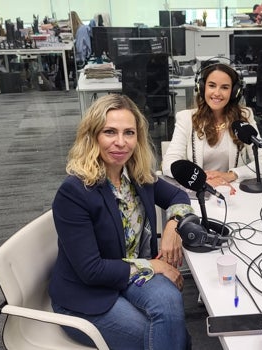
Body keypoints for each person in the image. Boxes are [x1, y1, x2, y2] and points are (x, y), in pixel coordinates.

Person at [49, 94, 194, 349]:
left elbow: (178, 195)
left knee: (170, 304)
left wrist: (174, 225)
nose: (120, 142)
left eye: (129, 133)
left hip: (128, 276)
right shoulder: (74, 192)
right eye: (109, 132)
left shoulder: (136, 175)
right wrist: (154, 266)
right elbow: (91, 271)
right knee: (171, 337)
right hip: (86, 293)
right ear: (93, 136)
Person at [162, 63, 262, 189]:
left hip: (232, 191)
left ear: (234, 92)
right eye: (212, 86)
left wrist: (231, 175)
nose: (217, 93)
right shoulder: (186, 119)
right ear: (202, 88)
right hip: (199, 192)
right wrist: (202, 180)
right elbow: (168, 164)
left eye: (225, 87)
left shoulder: (244, 117)